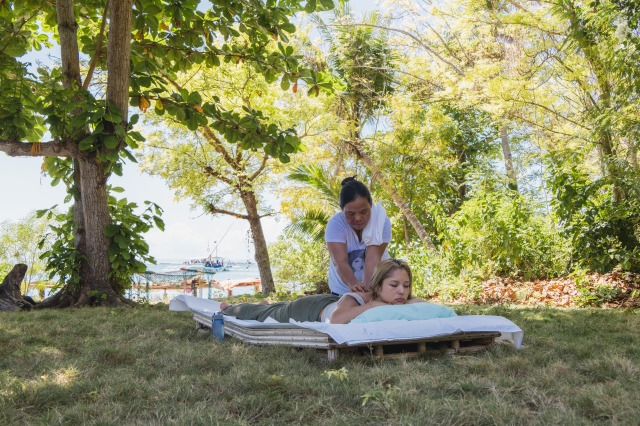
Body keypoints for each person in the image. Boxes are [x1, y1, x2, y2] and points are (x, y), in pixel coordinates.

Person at [220, 258, 423, 324]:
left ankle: (267, 304)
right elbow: (336, 319)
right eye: (394, 285)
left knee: (272, 308)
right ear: (378, 286)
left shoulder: (398, 300)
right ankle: (229, 307)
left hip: (329, 302)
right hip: (308, 310)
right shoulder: (361, 298)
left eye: (406, 286)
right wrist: (373, 306)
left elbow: (423, 305)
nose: (401, 291)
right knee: (264, 315)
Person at [325, 176, 392, 294]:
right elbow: (340, 262)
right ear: (342, 210)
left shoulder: (381, 221)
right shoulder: (335, 224)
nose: (358, 218)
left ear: (370, 206)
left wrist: (366, 291)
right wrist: (354, 284)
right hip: (342, 290)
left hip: (374, 285)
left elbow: (372, 258)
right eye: (351, 214)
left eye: (364, 212)